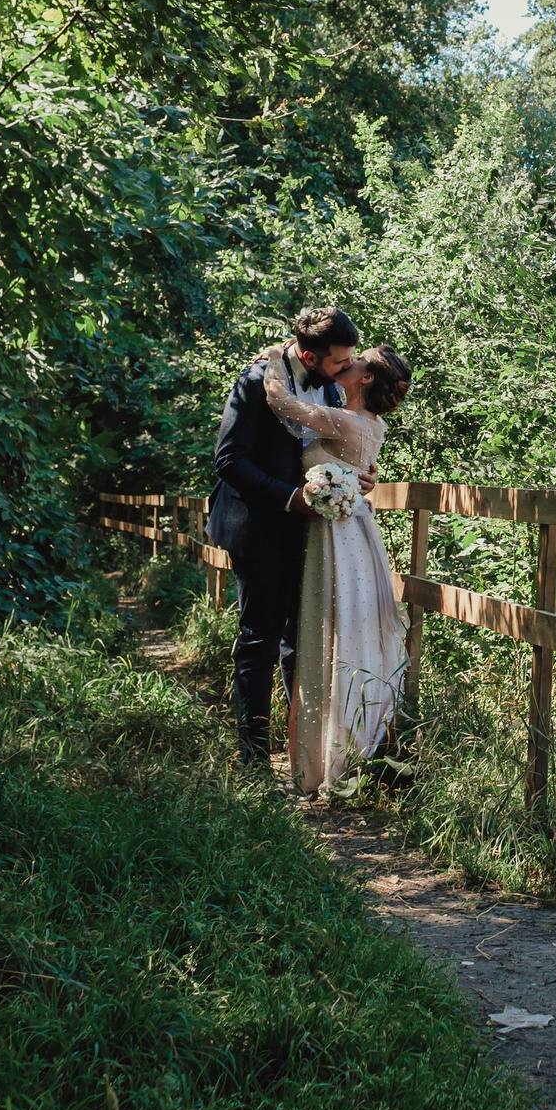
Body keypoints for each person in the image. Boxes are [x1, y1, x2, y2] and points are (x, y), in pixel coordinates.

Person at [211, 306, 368, 765]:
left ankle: (304, 751)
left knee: (301, 638)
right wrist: (291, 497)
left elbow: (327, 447)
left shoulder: (327, 385)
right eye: (339, 361)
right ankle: (255, 759)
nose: (346, 369)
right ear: (309, 354)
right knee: (259, 638)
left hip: (312, 530)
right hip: (258, 524)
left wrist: (355, 477)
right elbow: (229, 460)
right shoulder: (257, 381)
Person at [264, 342, 415, 793]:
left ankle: (329, 761)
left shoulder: (342, 419)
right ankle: (354, 749)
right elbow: (356, 469)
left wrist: (276, 354)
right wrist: (353, 482)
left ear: (366, 379)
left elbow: (279, 401)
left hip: (335, 537)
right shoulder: (373, 424)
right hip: (356, 534)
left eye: (357, 361)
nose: (347, 363)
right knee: (348, 633)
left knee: (328, 632)